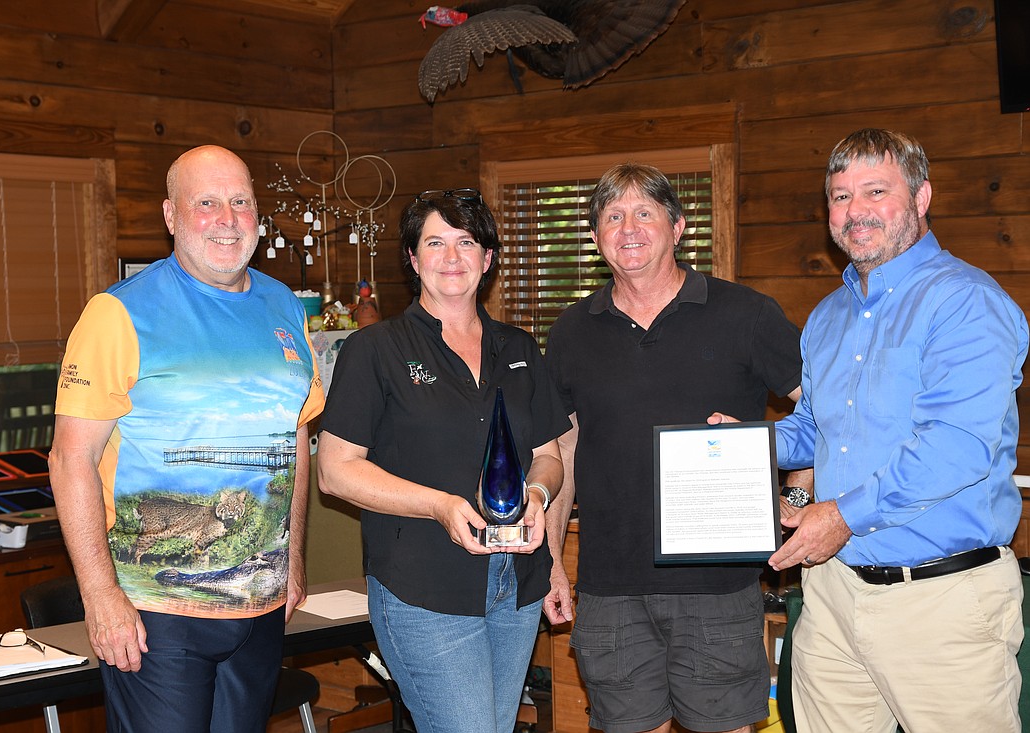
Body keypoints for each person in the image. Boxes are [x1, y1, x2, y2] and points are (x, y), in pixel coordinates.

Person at [710, 128, 1028, 732]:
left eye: (874, 192)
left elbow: (955, 448)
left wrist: (843, 516)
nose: (854, 212)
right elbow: (815, 426)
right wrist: (742, 444)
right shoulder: (828, 317)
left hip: (940, 600)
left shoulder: (966, 303)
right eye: (839, 197)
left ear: (921, 196)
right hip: (830, 594)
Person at [48, 145, 324, 733]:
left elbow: (294, 437)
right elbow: (71, 461)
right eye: (206, 203)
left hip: (262, 605)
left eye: (240, 202)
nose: (227, 218)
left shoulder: (285, 305)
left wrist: (292, 558)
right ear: (171, 216)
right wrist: (101, 596)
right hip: (155, 618)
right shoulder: (117, 315)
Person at [543, 163, 804, 733]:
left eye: (644, 212)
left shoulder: (747, 315)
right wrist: (555, 564)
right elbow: (560, 451)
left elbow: (824, 413)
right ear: (594, 238)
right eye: (612, 216)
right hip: (610, 588)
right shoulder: (570, 332)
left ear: (679, 226)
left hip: (720, 587)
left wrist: (797, 501)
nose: (628, 227)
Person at [317, 187, 570, 733]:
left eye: (466, 242)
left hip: (517, 583)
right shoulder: (375, 350)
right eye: (435, 243)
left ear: (489, 258)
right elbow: (334, 471)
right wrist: (438, 506)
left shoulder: (521, 348)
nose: (452, 258)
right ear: (413, 259)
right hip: (424, 588)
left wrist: (538, 496)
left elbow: (549, 456)